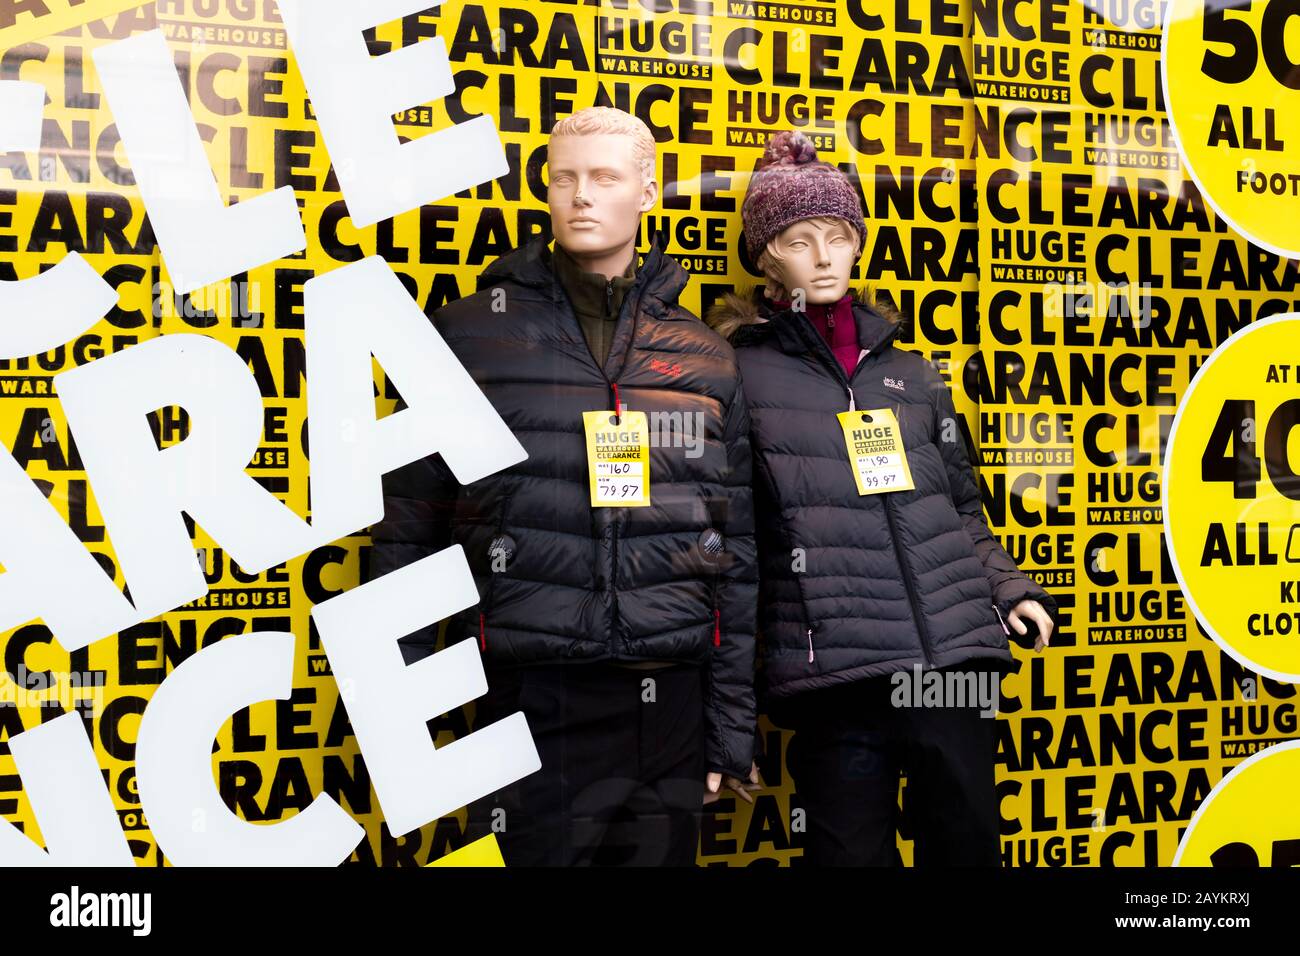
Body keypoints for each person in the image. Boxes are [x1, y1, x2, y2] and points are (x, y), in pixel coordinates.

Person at [369, 107, 759, 866]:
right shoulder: (471, 334)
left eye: (605, 177)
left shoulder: (706, 356)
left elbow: (735, 552)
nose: (581, 195)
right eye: (563, 178)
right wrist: (403, 708)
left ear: (648, 193)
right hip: (534, 693)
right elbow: (411, 528)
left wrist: (728, 724)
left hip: (669, 697)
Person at [706, 130, 1059, 866]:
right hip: (838, 675)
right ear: (766, 254)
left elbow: (962, 508)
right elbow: (734, 553)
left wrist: (1009, 589)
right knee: (849, 855)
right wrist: (728, 713)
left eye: (839, 236)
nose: (825, 256)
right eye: (801, 239)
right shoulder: (736, 375)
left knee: (965, 846)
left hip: (952, 663)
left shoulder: (912, 372)